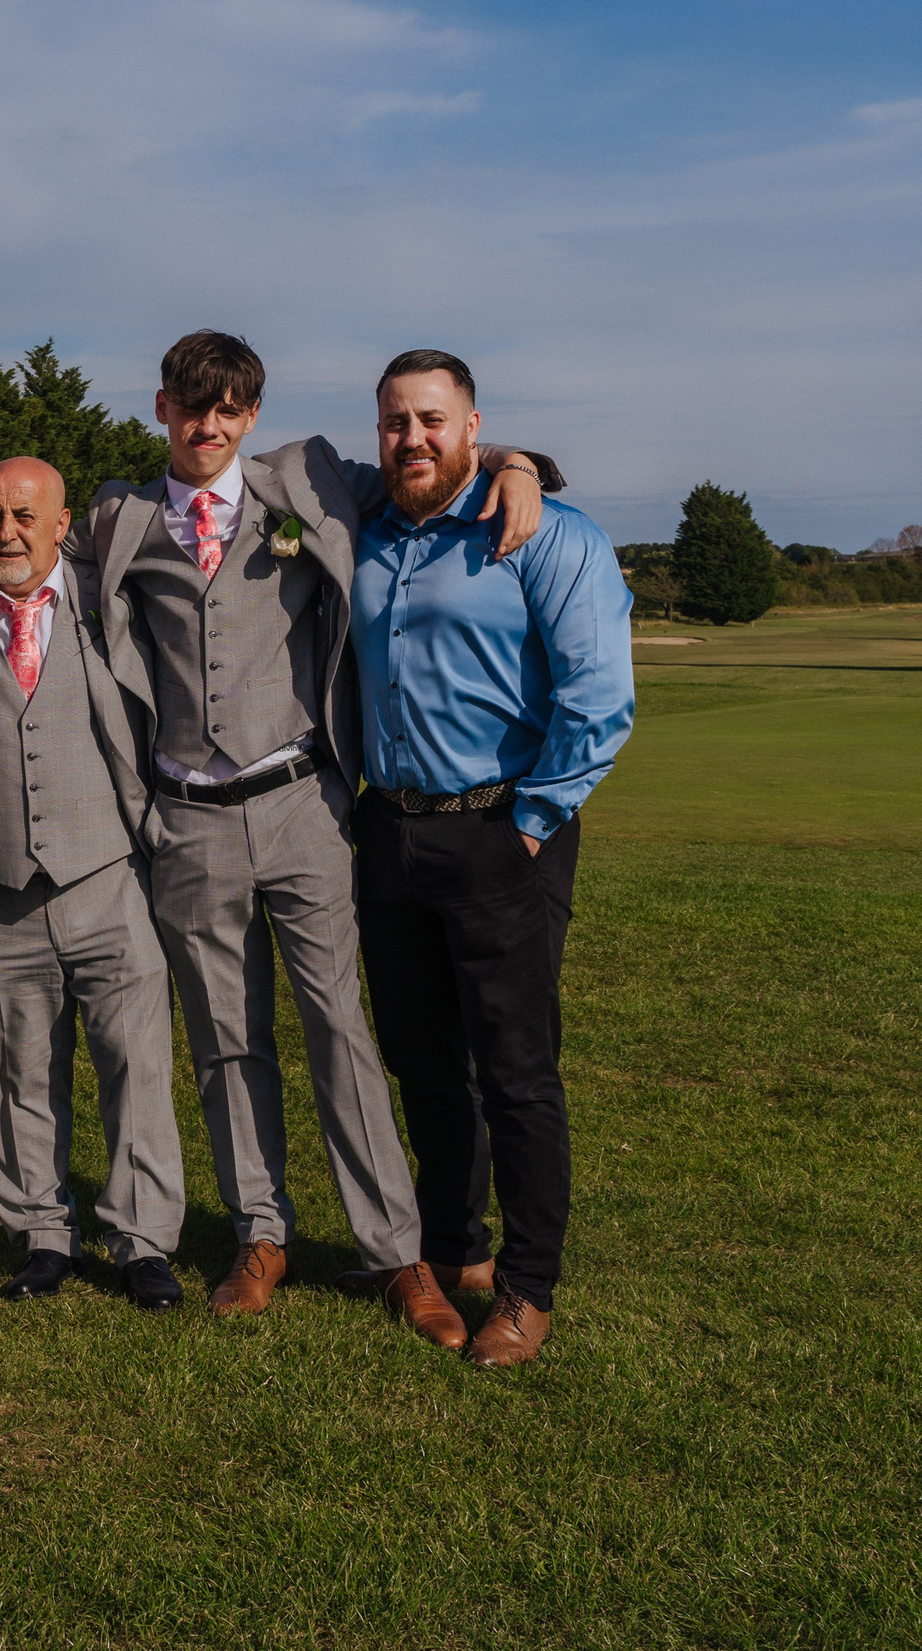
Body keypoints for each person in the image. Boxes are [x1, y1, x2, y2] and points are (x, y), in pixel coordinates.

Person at [0, 331, 550, 1345]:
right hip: (187, 821)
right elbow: (13, 544)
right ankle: (260, 1233)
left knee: (341, 1032)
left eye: (229, 408)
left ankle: (395, 1252)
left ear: (250, 415)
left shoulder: (313, 487)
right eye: (190, 407)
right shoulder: (117, 517)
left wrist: (515, 467)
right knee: (225, 1041)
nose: (208, 425)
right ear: (160, 408)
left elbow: (428, 471)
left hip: (301, 805)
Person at [350, 349, 634, 1367]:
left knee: (514, 1069)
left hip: (501, 826)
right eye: (394, 422)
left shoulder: (549, 534)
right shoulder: (364, 531)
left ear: (473, 426)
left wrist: (529, 820)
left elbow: (598, 698)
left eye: (431, 419)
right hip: (387, 830)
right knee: (421, 1059)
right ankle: (451, 1247)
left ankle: (527, 1287)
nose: (412, 438)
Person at [0, 458, 187, 1313]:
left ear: (63, 522)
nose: (7, 532)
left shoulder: (109, 594)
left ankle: (143, 1242)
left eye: (26, 515)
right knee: (16, 1074)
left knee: (135, 1070)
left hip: (109, 878)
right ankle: (41, 1232)